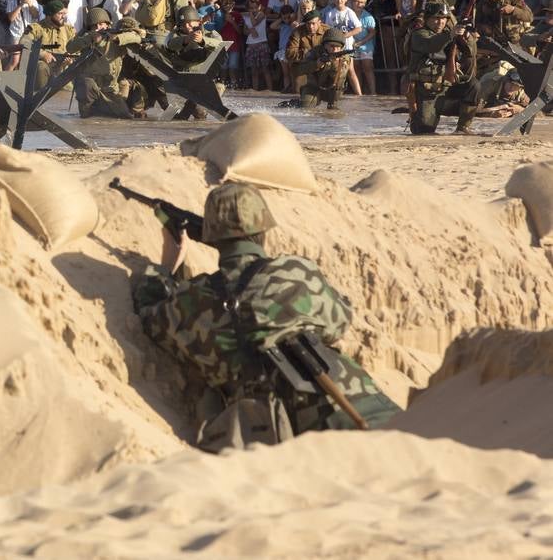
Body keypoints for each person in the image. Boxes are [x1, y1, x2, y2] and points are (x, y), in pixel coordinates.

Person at [132, 182, 399, 453]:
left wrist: (167, 262)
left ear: (211, 237)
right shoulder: (297, 272)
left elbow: (149, 312)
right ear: (262, 232)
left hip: (283, 435)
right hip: (361, 403)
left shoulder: (193, 301)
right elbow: (340, 320)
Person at [405, 2, 479, 135]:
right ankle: (416, 119)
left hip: (448, 88)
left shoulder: (449, 33)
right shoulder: (419, 34)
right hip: (428, 92)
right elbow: (431, 45)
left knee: (473, 85)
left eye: (443, 19)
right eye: (436, 18)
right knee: (424, 131)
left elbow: (470, 53)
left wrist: (466, 37)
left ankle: (463, 127)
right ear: (427, 19)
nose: (440, 22)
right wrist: (451, 35)